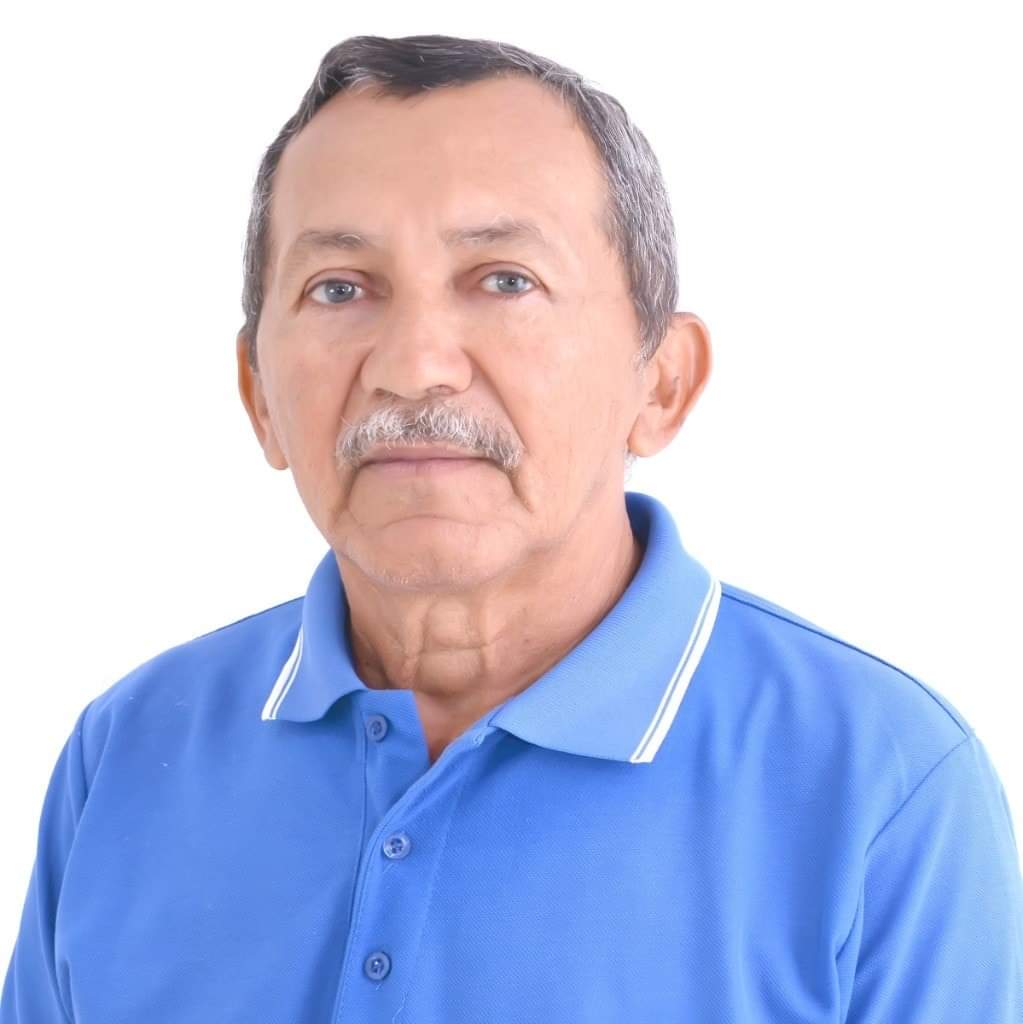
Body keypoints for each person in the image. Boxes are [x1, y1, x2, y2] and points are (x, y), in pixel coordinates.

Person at [3, 32, 1021, 1024]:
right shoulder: (127, 750)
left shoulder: (883, 789)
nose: (415, 367)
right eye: (340, 289)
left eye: (504, 279)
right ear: (258, 394)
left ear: (663, 383)